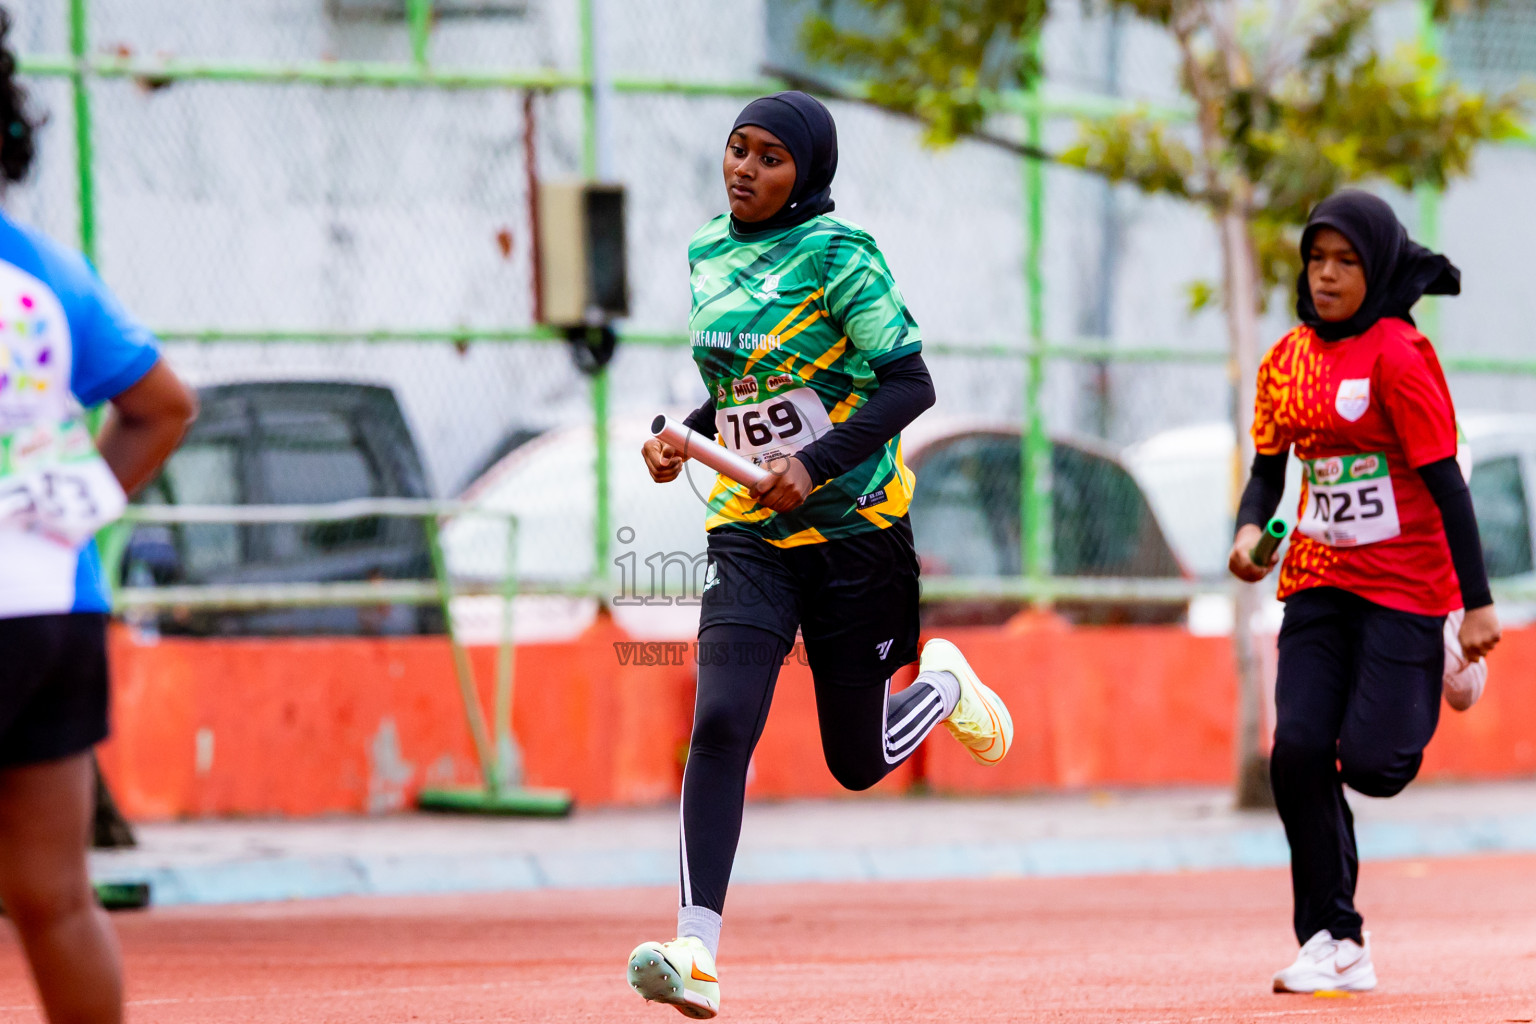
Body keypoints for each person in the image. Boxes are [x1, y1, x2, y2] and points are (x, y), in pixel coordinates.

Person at [628, 91, 1013, 1019]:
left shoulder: (842, 256)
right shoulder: (706, 251)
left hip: (857, 535)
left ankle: (944, 687)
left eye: (771, 158)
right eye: (738, 149)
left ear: (809, 174)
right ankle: (696, 949)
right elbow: (745, 389)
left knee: (856, 760)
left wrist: (814, 464)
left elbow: (909, 384)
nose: (745, 169)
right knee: (723, 721)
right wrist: (686, 439)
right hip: (750, 532)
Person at [1228, 190, 1500, 995]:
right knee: (1299, 751)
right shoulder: (1285, 362)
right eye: (1316, 260)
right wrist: (1248, 534)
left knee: (1377, 767)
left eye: (1346, 261)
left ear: (1375, 268)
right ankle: (1335, 937)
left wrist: (1477, 603)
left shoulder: (1400, 357)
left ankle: (1443, 648)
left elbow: (1448, 486)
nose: (1327, 275)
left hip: (1409, 583)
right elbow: (1267, 474)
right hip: (1319, 575)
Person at [0, 15, 198, 1023]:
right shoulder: (45, 271)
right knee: (54, 895)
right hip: (49, 604)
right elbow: (164, 404)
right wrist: (81, 507)